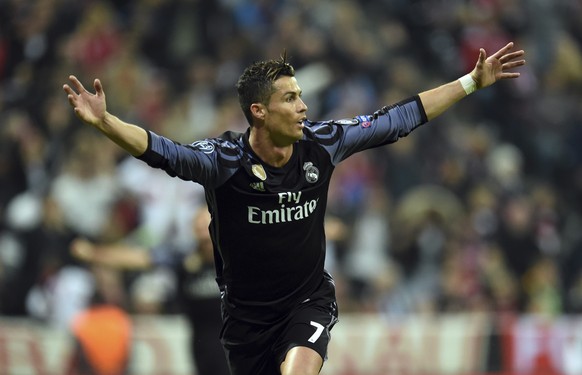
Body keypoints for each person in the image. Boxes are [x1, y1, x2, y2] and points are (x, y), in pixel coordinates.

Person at [63, 42, 525, 375]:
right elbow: (161, 150)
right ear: (259, 112)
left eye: (301, 95)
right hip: (245, 321)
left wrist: (469, 82)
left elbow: (396, 119)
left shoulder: (323, 144)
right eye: (290, 98)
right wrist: (105, 122)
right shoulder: (223, 161)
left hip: (308, 300)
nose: (304, 107)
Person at [70, 207, 230, 375]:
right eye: (199, 228)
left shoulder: (233, 261)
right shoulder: (184, 260)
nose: (204, 234)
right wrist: (94, 253)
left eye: (207, 227)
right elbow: (139, 258)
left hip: (234, 342)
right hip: (201, 344)